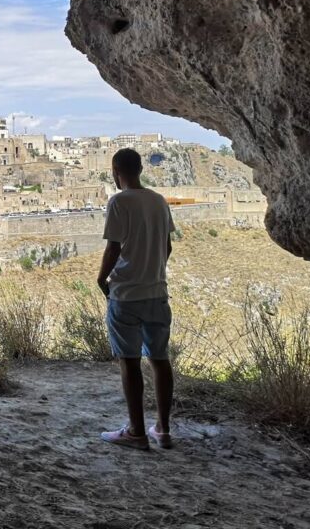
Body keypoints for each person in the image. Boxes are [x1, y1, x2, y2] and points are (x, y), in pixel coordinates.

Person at [97, 148, 176, 450]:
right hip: (157, 292)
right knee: (160, 359)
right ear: (141, 169)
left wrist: (101, 278)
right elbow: (167, 246)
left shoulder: (119, 201)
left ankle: (136, 431)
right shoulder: (158, 200)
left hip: (126, 294)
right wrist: (152, 269)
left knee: (129, 362)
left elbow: (113, 248)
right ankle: (163, 430)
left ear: (115, 171)